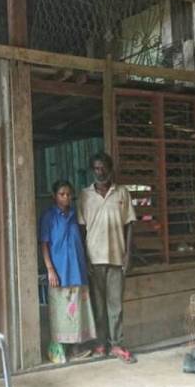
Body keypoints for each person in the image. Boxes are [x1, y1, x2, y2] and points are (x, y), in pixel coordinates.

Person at [77, 152, 137, 364]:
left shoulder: (122, 193)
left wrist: (128, 254)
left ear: (110, 169)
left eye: (103, 168)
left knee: (115, 305)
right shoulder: (84, 195)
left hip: (116, 258)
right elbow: (81, 230)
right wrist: (85, 259)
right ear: (92, 170)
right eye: (96, 168)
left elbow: (130, 224)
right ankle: (101, 343)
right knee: (98, 306)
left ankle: (117, 344)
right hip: (94, 258)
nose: (99, 172)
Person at [39, 180, 96, 364]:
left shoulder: (74, 215)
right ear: (54, 196)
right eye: (62, 194)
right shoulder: (49, 217)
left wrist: (86, 264)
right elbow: (44, 244)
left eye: (69, 194)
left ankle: (76, 347)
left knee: (77, 311)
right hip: (59, 272)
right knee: (61, 312)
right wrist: (50, 270)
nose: (66, 197)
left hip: (77, 270)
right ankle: (59, 348)